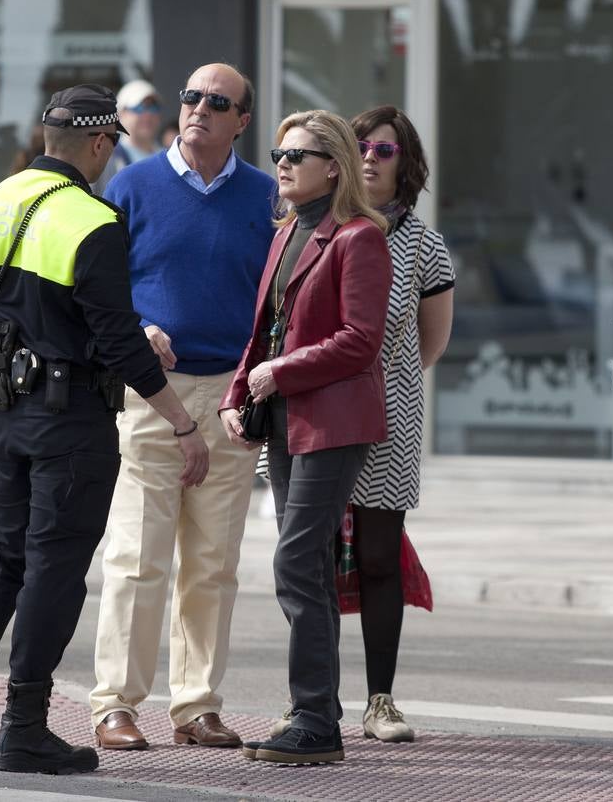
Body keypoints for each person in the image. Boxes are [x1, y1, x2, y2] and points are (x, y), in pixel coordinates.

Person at [0, 84, 209, 776]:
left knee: (4, 557)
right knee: (54, 569)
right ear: (97, 144)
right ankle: (22, 727)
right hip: (72, 423)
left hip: (1, 414)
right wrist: (181, 423)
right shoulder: (92, 221)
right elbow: (116, 339)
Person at [89, 63, 275, 752]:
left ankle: (196, 705)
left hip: (230, 396)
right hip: (150, 393)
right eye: (191, 96)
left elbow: (276, 299)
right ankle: (115, 704)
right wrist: (138, 330)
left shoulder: (265, 196)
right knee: (138, 556)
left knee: (213, 562)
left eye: (216, 101)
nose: (197, 108)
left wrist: (260, 379)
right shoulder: (132, 186)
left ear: (241, 121)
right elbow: (101, 286)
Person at [221, 110, 392, 765]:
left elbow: (360, 341)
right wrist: (241, 392)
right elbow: (265, 327)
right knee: (308, 566)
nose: (283, 164)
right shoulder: (289, 229)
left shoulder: (358, 238)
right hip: (290, 420)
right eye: (279, 153)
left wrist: (278, 372)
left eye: (298, 153)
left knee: (296, 562)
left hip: (335, 421)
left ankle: (317, 717)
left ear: (336, 165)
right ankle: (315, 713)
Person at [344, 106, 454, 743]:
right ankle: (312, 700)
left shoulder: (423, 241)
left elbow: (431, 341)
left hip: (391, 416)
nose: (368, 158)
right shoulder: (319, 226)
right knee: (310, 557)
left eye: (383, 150)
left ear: (404, 163)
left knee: (380, 556)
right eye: (358, 146)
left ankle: (379, 699)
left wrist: (392, 374)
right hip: (318, 411)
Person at [92, 78, 164, 194]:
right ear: (120, 114)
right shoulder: (104, 157)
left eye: (153, 107)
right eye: (140, 108)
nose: (148, 114)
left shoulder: (169, 157)